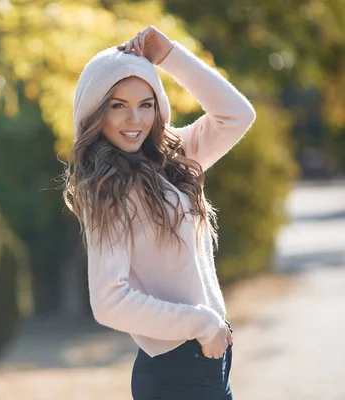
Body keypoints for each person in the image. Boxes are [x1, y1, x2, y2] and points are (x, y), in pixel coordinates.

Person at [62, 26, 256, 399]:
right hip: (177, 372)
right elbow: (108, 301)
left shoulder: (173, 158)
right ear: (95, 112)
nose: (134, 120)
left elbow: (236, 115)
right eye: (118, 105)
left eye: (145, 104)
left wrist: (169, 56)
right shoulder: (109, 190)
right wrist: (200, 324)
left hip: (208, 363)